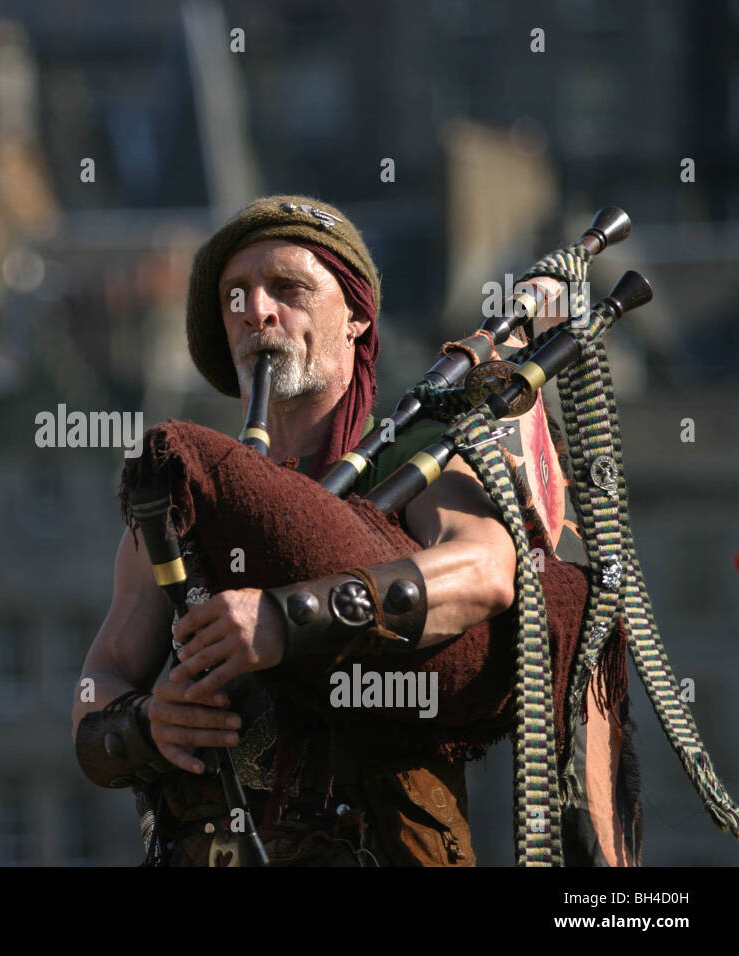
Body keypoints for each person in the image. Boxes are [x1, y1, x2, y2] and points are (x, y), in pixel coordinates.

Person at [73, 194, 572, 866]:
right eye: (235, 296)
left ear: (358, 315)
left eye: (288, 287)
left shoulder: (414, 454)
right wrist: (146, 722)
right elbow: (94, 687)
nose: (257, 310)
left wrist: (283, 620)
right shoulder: (188, 493)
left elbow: (485, 571)